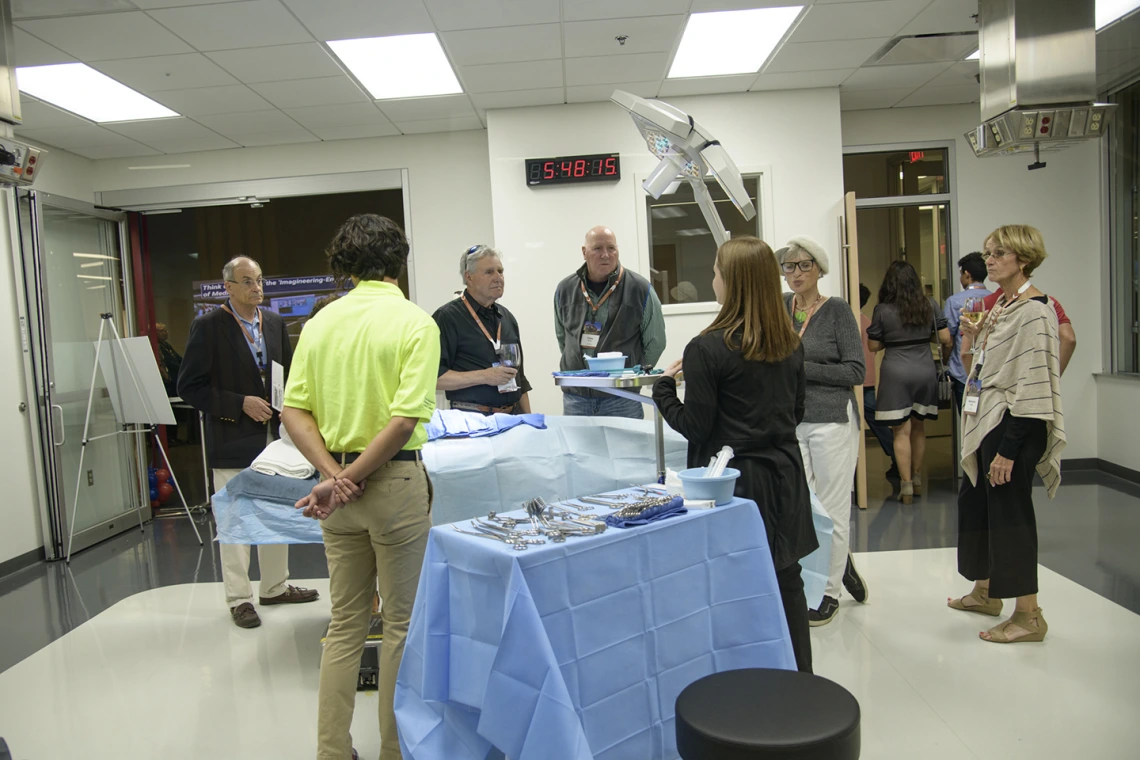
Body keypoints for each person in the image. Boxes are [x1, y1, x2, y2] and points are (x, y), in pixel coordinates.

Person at [281, 214, 439, 760]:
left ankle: (332, 750)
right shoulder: (416, 323)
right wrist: (347, 479)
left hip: (337, 499)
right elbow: (400, 423)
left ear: (343, 263)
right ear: (399, 259)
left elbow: (292, 410)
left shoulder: (320, 323)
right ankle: (394, 751)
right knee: (399, 624)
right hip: (393, 484)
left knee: (346, 622)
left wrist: (331, 477)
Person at [652, 236, 817, 673]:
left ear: (731, 281)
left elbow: (696, 426)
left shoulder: (706, 349)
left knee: (729, 588)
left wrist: (664, 389)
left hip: (732, 487)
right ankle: (800, 682)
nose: (712, 279)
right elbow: (795, 412)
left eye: (715, 272)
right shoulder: (791, 346)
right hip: (785, 478)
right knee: (787, 581)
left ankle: (740, 689)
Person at [177, 256, 318, 629]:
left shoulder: (273, 323)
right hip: (232, 437)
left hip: (276, 438)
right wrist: (239, 403)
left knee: (276, 513)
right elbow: (189, 387)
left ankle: (274, 586)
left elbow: (289, 375)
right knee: (235, 521)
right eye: (247, 281)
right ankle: (239, 598)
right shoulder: (208, 327)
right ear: (228, 287)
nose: (257, 288)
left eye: (259, 280)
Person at [950, 225, 1065, 644]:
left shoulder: (1035, 311)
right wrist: (973, 337)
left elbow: (1032, 387)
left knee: (1010, 516)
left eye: (999, 253)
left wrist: (1009, 451)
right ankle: (985, 591)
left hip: (1013, 427)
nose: (990, 260)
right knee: (978, 507)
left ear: (1023, 259)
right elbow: (980, 365)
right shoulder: (1002, 306)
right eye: (988, 252)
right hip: (988, 421)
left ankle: (1029, 615)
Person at [776, 237, 866, 627]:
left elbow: (855, 371)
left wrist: (801, 367)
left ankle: (828, 592)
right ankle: (837, 563)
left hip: (832, 419)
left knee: (831, 509)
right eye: (789, 266)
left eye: (804, 265)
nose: (795, 273)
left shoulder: (837, 311)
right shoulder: (781, 307)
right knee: (803, 508)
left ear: (820, 268)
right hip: (792, 420)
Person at [555, 225, 666, 418]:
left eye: (611, 248)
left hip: (622, 399)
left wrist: (632, 375)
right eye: (597, 248)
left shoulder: (639, 288)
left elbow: (655, 342)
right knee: (578, 449)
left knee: (626, 449)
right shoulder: (565, 289)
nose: (605, 254)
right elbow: (563, 339)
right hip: (577, 399)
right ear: (584, 252)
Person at [867, 261, 952, 505]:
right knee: (918, 428)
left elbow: (873, 345)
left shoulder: (883, 310)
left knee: (899, 431)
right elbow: (945, 338)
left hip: (896, 371)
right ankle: (916, 479)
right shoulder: (930, 304)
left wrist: (892, 340)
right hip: (924, 369)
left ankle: (904, 487)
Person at [433, 245, 531, 415]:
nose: (498, 278)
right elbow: (434, 378)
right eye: (489, 272)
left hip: (512, 417)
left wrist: (530, 420)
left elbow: (519, 378)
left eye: (500, 271)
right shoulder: (447, 318)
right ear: (469, 277)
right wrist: (484, 376)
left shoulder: (507, 318)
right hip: (472, 420)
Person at [983, 287, 1077, 375]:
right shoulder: (1048, 303)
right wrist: (1052, 378)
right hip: (1035, 380)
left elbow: (969, 347)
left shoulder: (987, 303)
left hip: (996, 382)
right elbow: (1069, 338)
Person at [943, 253, 992, 410]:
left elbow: (948, 340)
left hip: (962, 371)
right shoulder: (996, 299)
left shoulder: (955, 301)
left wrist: (945, 362)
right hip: (989, 369)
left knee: (967, 421)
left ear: (966, 274)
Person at [859, 283, 897, 479]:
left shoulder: (853, 322)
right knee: (876, 422)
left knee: (875, 422)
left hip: (860, 382)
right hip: (868, 380)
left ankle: (897, 457)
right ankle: (897, 457)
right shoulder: (866, 321)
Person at [156, 322, 182, 396]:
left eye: (165, 330)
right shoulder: (156, 347)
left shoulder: (166, 345)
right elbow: (169, 362)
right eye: (161, 331)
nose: (165, 333)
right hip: (169, 381)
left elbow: (178, 358)